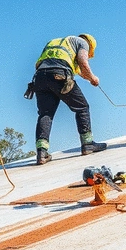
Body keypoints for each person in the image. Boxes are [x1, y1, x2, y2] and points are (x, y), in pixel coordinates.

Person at [30, 34, 107, 165]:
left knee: (46, 114)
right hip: (59, 74)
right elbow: (83, 62)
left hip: (40, 77)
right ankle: (88, 144)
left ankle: (42, 153)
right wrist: (94, 78)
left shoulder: (57, 42)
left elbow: (79, 71)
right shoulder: (83, 42)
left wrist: (89, 78)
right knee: (82, 107)